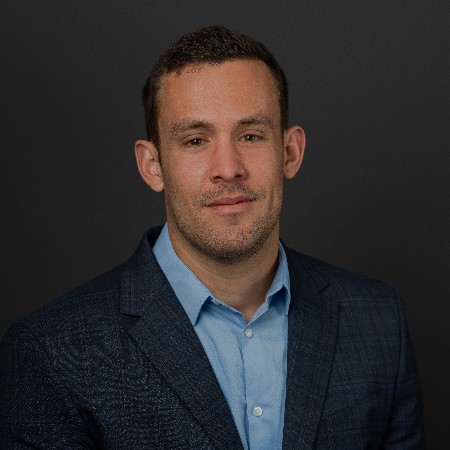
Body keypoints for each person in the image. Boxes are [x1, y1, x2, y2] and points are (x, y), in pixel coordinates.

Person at [0, 26, 424, 449]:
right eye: (196, 140)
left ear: (290, 152)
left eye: (251, 135)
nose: (228, 168)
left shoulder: (378, 320)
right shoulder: (52, 351)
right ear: (152, 165)